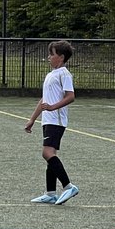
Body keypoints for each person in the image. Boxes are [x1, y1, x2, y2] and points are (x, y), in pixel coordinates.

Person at [25, 40, 79, 205]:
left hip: (56, 120)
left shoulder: (64, 74)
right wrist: (33, 119)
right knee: (51, 154)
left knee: (47, 153)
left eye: (52, 54)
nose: (49, 57)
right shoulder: (51, 75)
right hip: (48, 120)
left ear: (61, 57)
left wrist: (53, 107)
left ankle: (68, 186)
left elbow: (70, 96)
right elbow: (44, 100)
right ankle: (50, 193)